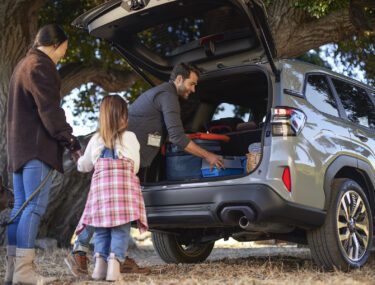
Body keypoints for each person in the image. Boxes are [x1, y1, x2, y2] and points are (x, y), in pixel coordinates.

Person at [65, 62, 224, 275]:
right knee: (107, 211)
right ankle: (82, 252)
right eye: (192, 83)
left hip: (121, 159)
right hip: (123, 159)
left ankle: (113, 259)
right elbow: (177, 136)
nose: (193, 89)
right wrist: (209, 155)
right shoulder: (167, 95)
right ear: (178, 79)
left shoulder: (161, 95)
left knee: (104, 208)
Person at [5, 24, 81, 285]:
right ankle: (25, 272)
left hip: (18, 149)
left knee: (20, 209)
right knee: (33, 208)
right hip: (36, 149)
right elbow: (49, 111)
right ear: (56, 44)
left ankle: (13, 271)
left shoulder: (22, 65)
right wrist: (71, 140)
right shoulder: (40, 65)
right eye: (64, 50)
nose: (63, 56)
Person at [73, 95, 148, 281]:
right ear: (123, 117)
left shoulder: (96, 139)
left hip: (101, 194)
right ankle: (114, 269)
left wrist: (79, 157)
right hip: (123, 192)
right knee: (120, 230)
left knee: (101, 229)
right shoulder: (130, 137)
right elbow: (135, 166)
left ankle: (99, 267)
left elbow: (84, 166)